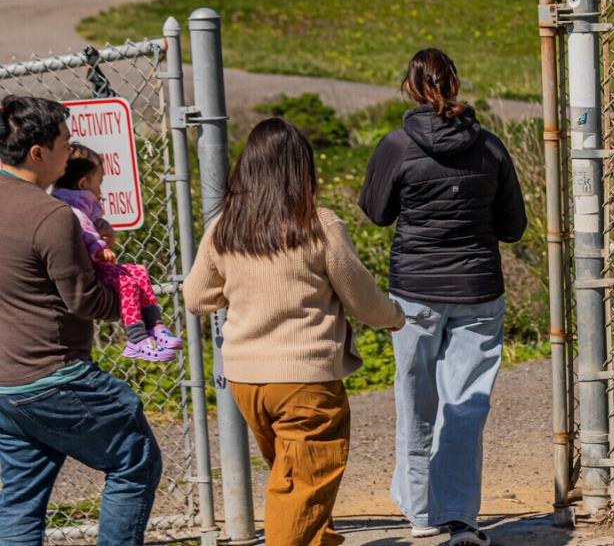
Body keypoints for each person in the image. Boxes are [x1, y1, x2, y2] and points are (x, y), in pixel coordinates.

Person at [184, 118, 402, 546]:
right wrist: (393, 316)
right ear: (300, 169)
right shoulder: (318, 224)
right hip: (305, 381)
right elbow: (360, 296)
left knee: (296, 479)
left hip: (248, 383)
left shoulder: (225, 226)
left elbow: (196, 297)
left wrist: (242, 287)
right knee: (302, 486)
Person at [359, 49, 526, 546]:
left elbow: (376, 212)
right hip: (478, 290)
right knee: (466, 404)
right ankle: (460, 518)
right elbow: (513, 227)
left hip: (415, 292)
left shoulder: (396, 145)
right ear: (454, 84)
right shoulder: (490, 146)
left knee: (414, 399)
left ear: (410, 88)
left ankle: (419, 511)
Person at [0, 95, 162, 545]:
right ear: (38, 153)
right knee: (135, 462)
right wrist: (132, 301)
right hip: (58, 376)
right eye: (64, 142)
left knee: (20, 501)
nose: (70, 152)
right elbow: (84, 300)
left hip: (7, 385)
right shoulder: (50, 215)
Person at [53, 144, 181, 362]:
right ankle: (136, 338)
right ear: (83, 184)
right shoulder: (71, 205)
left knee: (138, 272)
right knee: (126, 283)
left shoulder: (81, 202)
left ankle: (154, 325)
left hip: (96, 263)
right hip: (93, 266)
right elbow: (84, 227)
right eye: (99, 183)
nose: (101, 191)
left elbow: (92, 224)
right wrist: (99, 248)